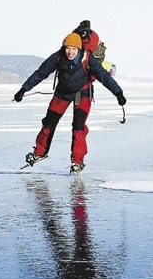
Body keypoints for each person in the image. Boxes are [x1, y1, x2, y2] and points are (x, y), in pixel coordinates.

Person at [14, 32, 126, 174]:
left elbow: (104, 76)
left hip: (82, 92)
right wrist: (23, 90)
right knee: (49, 122)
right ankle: (40, 152)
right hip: (63, 92)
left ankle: (78, 161)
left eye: (74, 48)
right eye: (68, 48)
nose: (70, 52)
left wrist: (118, 93)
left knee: (78, 127)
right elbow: (40, 73)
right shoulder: (58, 56)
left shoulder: (87, 58)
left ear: (79, 49)